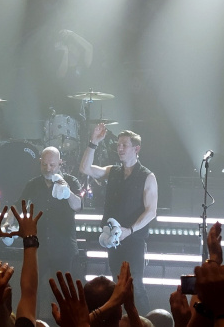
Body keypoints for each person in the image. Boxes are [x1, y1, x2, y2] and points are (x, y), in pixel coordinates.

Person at [80, 124, 157, 314]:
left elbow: (151, 211)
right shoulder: (112, 171)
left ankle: (146, 322)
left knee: (135, 285)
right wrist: (93, 142)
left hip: (134, 240)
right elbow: (85, 168)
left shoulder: (147, 176)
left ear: (136, 148)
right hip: (113, 239)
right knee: (117, 285)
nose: (120, 148)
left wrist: (129, 230)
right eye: (118, 145)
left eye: (124, 145)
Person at [13, 146, 82, 317]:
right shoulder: (34, 184)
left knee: (63, 292)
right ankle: (31, 321)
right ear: (40, 163)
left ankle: (63, 322)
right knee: (31, 288)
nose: (48, 169)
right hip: (40, 245)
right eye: (44, 165)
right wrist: (8, 221)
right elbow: (18, 205)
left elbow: (78, 206)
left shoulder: (71, 181)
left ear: (60, 163)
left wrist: (67, 191)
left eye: (52, 165)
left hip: (63, 246)